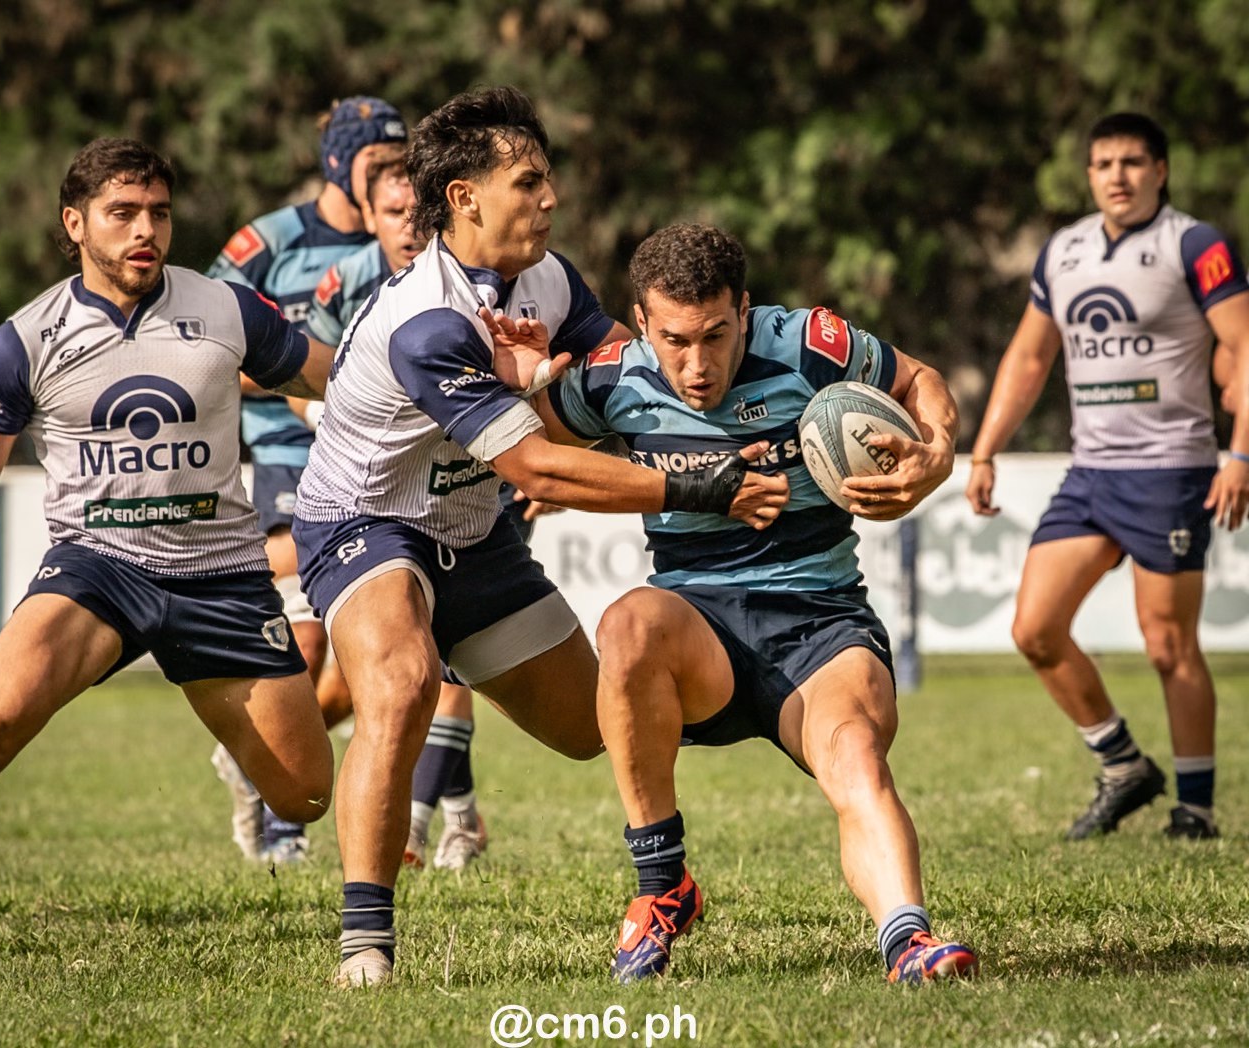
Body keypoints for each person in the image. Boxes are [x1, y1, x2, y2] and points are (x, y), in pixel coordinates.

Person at [290, 86, 790, 988]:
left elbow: (627, 382)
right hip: (366, 522)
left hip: (474, 534)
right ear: (464, 199)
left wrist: (766, 414)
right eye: (528, 183)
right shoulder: (429, 321)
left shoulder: (548, 279)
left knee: (597, 725)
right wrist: (704, 485)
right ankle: (365, 943)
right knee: (400, 686)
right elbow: (540, 470)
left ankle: (671, 882)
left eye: (548, 178)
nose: (550, 197)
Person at [532, 222, 976, 985]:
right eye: (674, 340)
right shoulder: (612, 377)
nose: (696, 364)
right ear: (641, 322)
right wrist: (521, 381)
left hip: (820, 622)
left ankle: (909, 942)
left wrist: (935, 450)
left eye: (715, 335)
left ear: (745, 309)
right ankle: (661, 885)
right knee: (628, 623)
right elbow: (529, 446)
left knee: (856, 757)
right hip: (696, 626)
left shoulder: (809, 344)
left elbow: (918, 379)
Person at [0, 138, 336, 906]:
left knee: (305, 795)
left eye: (159, 211)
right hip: (99, 570)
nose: (145, 229)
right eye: (122, 212)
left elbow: (338, 377)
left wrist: (448, 379)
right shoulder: (24, 340)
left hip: (222, 577)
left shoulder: (224, 307)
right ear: (75, 223)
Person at [966, 112, 1249, 841]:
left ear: (1161, 170)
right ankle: (1123, 765)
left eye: (1132, 162)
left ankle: (1195, 810)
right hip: (1089, 475)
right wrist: (985, 449)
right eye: (1102, 164)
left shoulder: (1196, 245)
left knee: (1167, 646)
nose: (1117, 176)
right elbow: (1030, 357)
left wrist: (1241, 455)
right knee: (1035, 629)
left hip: (1171, 472)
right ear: (1088, 175)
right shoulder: (1063, 251)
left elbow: (1245, 346)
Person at [206, 96, 407, 865]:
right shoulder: (270, 244)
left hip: (384, 458)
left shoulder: (415, 241)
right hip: (289, 448)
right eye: (378, 162)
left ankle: (259, 759)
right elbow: (201, 339)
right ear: (340, 163)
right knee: (309, 630)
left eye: (401, 163)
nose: (393, 176)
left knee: (368, 668)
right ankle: (282, 825)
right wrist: (296, 374)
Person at [304, 154, 492, 871]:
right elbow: (294, 368)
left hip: (474, 483)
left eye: (419, 214)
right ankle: (449, 816)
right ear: (370, 220)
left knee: (445, 665)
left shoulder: (481, 286)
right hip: (368, 496)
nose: (410, 228)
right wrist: (334, 410)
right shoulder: (351, 286)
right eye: (392, 215)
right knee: (377, 680)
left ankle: (420, 825)